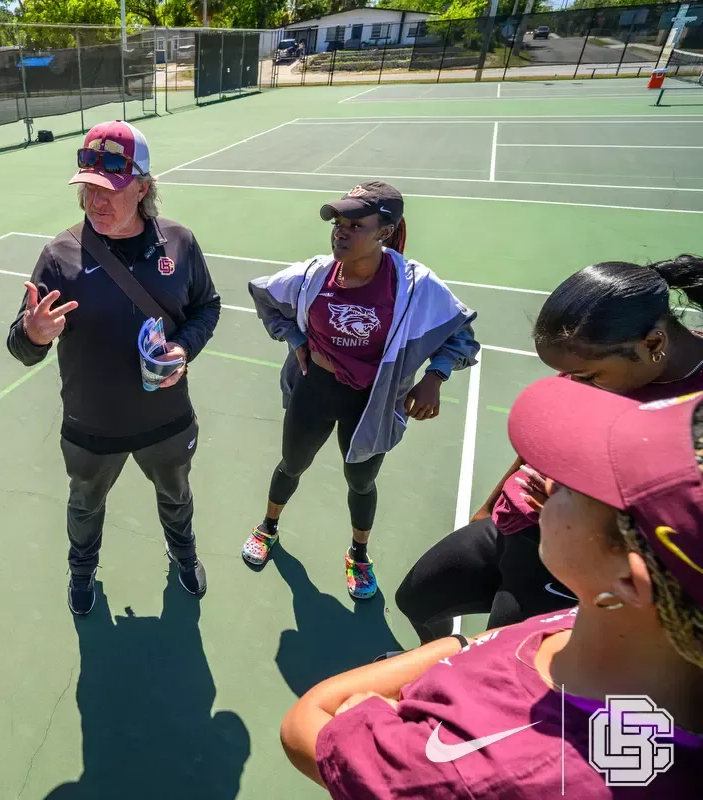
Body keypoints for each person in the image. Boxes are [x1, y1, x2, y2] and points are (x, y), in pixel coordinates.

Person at [280, 376, 703, 798]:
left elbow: (307, 725)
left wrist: (373, 706)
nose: (550, 482)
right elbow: (509, 640)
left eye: (577, 486)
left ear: (630, 579)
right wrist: (456, 656)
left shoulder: (477, 766)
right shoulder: (620, 626)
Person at [396, 254, 703, 643]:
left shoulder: (693, 411)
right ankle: (434, 658)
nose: (578, 385)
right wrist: (491, 505)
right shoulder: (597, 362)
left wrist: (597, 515)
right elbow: (546, 438)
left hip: (577, 559)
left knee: (503, 655)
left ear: (654, 342)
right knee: (416, 598)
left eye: (588, 376)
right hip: (520, 521)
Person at [5, 120, 222, 616]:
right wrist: (33, 335)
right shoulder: (59, 256)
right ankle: (82, 570)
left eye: (110, 190)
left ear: (143, 187)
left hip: (165, 419)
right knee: (85, 504)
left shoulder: (180, 243)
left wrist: (183, 349)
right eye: (87, 189)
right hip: (91, 427)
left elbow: (206, 307)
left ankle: (182, 552)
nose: (94, 202)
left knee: (176, 494)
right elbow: (21, 345)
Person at [244, 182, 479, 599]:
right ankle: (269, 526)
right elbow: (266, 297)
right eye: (338, 224)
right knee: (291, 464)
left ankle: (358, 553)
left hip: (371, 403)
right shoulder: (312, 275)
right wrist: (296, 340)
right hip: (314, 390)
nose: (340, 232)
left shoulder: (414, 285)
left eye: (355, 225)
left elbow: (461, 334)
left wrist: (435, 376)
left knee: (360, 481)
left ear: (384, 232)